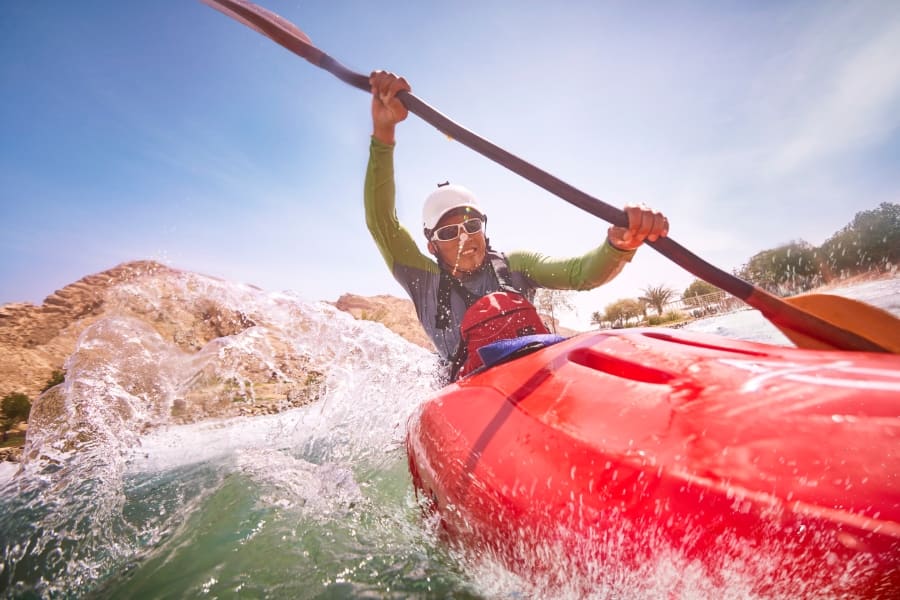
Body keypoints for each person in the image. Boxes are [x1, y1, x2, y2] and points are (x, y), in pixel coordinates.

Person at [365, 71, 669, 381]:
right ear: (431, 246)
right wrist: (384, 131)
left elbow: (582, 273)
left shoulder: (515, 266)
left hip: (534, 374)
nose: (464, 237)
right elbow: (381, 223)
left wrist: (620, 245)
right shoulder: (423, 280)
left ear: (484, 228)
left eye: (472, 225)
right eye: (448, 232)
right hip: (466, 391)